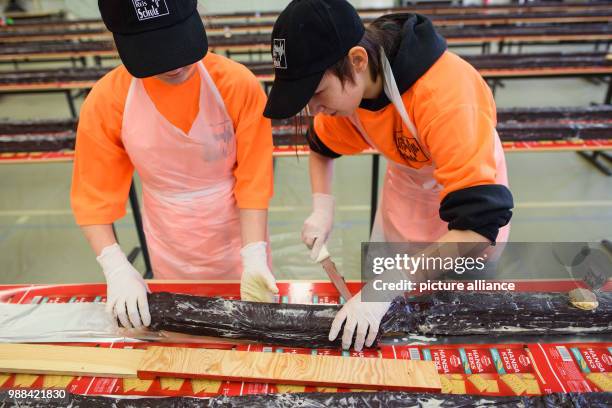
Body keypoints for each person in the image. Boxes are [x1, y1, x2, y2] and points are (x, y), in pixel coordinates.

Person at [264, 0, 513, 351]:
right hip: (406, 196)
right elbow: (321, 147)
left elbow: (477, 228)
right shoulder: (356, 89)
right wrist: (322, 206)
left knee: (448, 326)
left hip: (464, 223)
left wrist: (386, 286)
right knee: (386, 326)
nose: (315, 109)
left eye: (317, 93)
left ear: (357, 60)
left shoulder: (446, 96)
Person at [71, 0, 278, 329]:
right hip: (169, 237)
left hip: (237, 231)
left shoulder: (237, 84)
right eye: (155, 52)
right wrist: (115, 266)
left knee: (250, 327)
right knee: (186, 330)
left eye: (180, 42)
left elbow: (254, 179)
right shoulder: (108, 100)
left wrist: (253, 253)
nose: (175, 65)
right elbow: (93, 197)